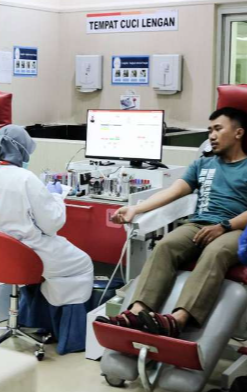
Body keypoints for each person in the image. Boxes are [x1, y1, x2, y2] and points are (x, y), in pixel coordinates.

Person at [98, 107, 247, 338]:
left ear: (238, 133)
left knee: (215, 252)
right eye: (209, 130)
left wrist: (224, 226)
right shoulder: (203, 164)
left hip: (237, 229)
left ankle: (178, 320)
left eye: (218, 129)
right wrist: (136, 208)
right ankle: (137, 313)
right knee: (165, 245)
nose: (211, 136)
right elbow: (173, 191)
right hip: (199, 224)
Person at [0, 125, 94, 354]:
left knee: (55, 266)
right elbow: (52, 223)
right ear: (21, 151)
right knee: (82, 264)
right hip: (27, 254)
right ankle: (68, 335)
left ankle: (32, 318)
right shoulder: (25, 178)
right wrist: (56, 195)